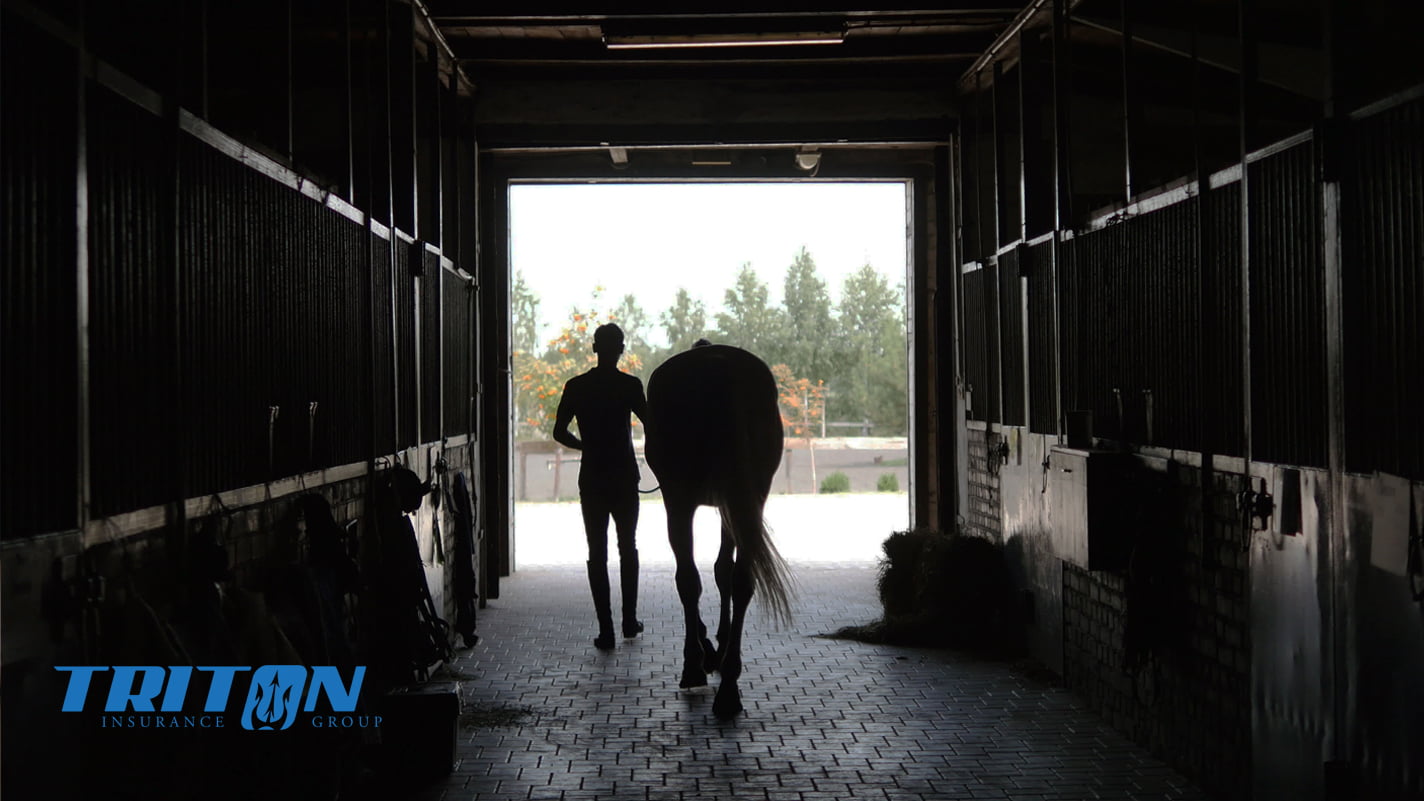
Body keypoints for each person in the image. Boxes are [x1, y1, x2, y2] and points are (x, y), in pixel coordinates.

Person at [552, 323, 649, 649]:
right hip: (624, 475)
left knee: (597, 553)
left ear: (595, 348)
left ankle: (606, 629)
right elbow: (652, 424)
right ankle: (628, 622)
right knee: (628, 548)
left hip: (592, 476)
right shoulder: (630, 386)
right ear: (621, 349)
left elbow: (559, 432)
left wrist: (585, 446)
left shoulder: (576, 386)